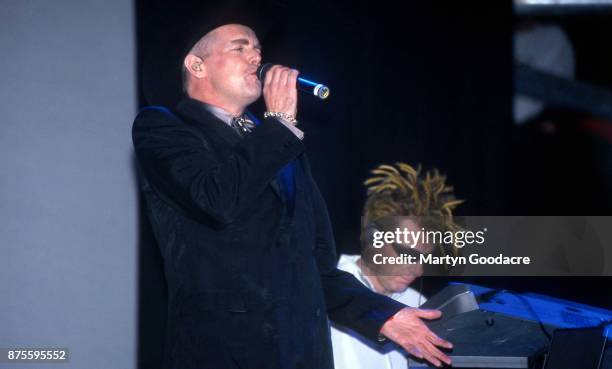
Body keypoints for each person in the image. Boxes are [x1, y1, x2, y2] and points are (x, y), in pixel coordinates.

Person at [132, 22, 453, 369]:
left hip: (302, 353)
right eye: (240, 48)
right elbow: (215, 199)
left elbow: (316, 269)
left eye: (258, 48)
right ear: (197, 65)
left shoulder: (285, 147)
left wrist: (383, 316)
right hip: (224, 352)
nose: (257, 56)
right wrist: (279, 124)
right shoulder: (164, 127)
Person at [331, 163, 463, 369]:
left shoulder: (418, 303)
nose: (418, 271)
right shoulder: (324, 292)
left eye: (424, 259)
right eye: (408, 254)